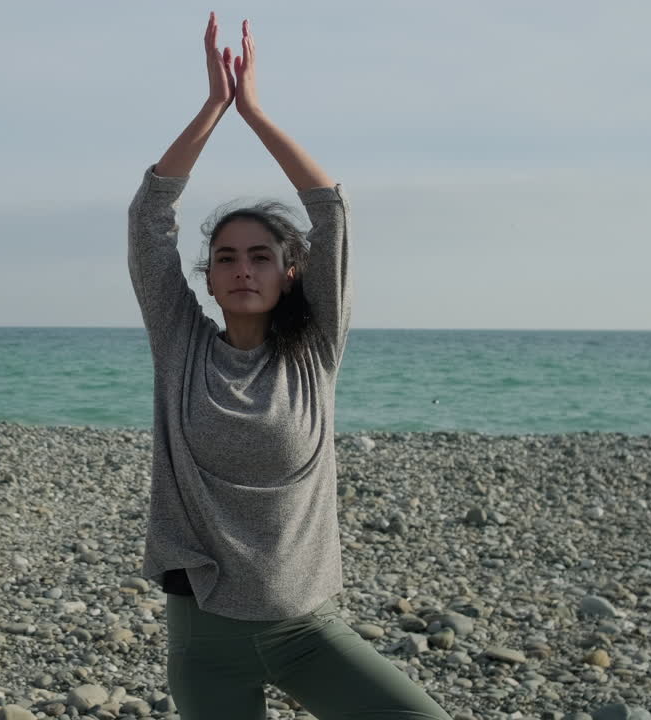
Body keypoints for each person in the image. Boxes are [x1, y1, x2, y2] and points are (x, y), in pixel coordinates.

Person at [127, 13, 452, 720]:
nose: (242, 269)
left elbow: (330, 212)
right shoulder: (180, 345)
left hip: (307, 629)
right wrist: (212, 107)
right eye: (226, 258)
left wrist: (255, 112)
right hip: (203, 640)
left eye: (261, 256)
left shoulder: (315, 351)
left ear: (290, 273)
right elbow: (150, 217)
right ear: (207, 280)